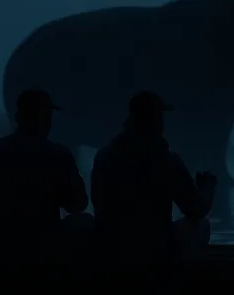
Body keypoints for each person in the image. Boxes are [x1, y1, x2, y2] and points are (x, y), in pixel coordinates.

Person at [90, 91, 218, 257]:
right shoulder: (167, 160)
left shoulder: (104, 156)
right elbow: (196, 209)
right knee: (201, 225)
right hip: (156, 247)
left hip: (111, 245)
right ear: (156, 120)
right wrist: (207, 188)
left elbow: (95, 202)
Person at [0, 89, 90, 249]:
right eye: (48, 116)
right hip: (40, 248)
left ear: (17, 118)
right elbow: (78, 204)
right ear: (47, 120)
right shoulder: (58, 155)